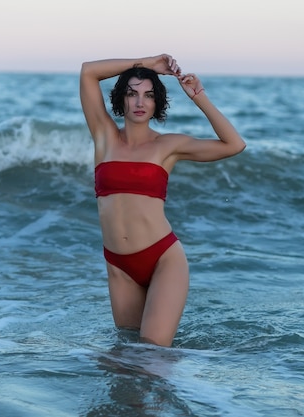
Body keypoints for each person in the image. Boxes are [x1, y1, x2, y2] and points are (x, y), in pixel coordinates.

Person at [80, 54, 246, 347]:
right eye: (132, 94)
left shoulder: (168, 145)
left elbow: (234, 144)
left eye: (148, 95)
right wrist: (148, 63)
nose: (140, 102)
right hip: (119, 266)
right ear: (121, 100)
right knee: (127, 362)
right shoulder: (104, 136)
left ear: (157, 103)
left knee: (152, 356)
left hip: (162, 259)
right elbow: (88, 71)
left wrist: (199, 97)